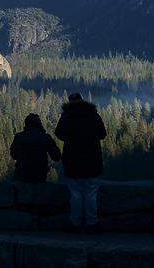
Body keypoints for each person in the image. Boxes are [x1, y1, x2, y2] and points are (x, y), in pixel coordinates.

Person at [54, 92, 107, 232]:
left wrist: (71, 138)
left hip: (72, 160)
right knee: (91, 193)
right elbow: (103, 134)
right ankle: (92, 223)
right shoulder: (94, 115)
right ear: (83, 101)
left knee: (76, 194)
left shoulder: (66, 116)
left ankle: (75, 223)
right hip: (92, 159)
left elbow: (58, 133)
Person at [9, 113, 61, 184]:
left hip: (21, 174)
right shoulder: (45, 138)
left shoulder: (19, 137)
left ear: (26, 124)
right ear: (39, 124)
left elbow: (13, 155)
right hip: (39, 176)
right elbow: (56, 156)